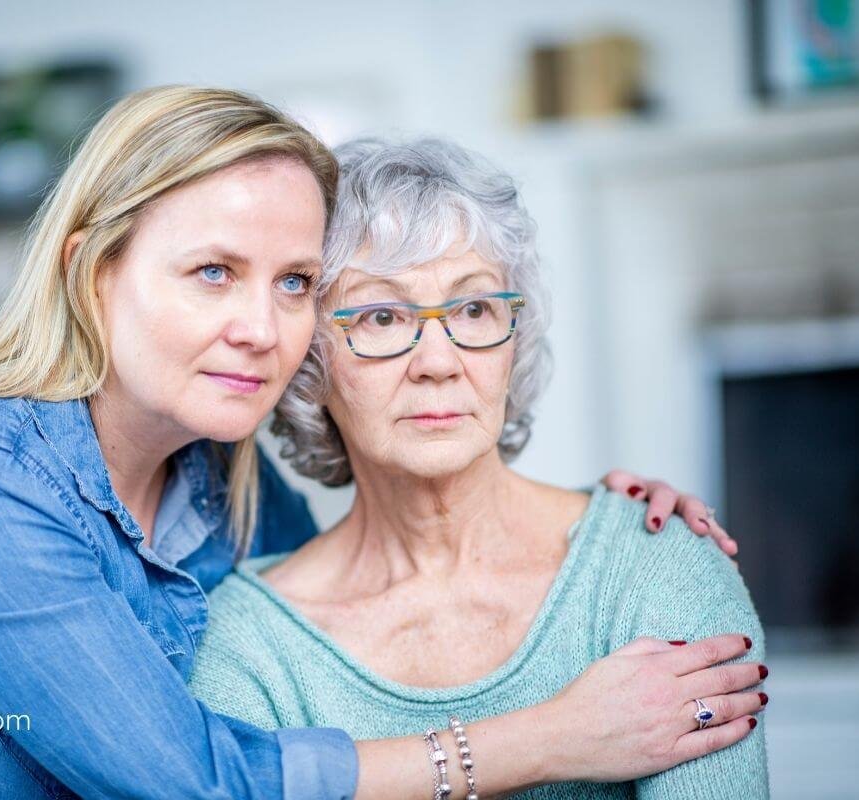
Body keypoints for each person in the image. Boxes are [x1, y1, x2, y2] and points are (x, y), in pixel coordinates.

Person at [0, 89, 749, 800]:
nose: (264, 325)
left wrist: (610, 514)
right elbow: (187, 782)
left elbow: (379, 542)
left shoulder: (223, 489)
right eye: (213, 270)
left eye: (295, 281)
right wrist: (553, 738)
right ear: (92, 273)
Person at [187, 137, 769, 799]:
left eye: (472, 309)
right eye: (381, 316)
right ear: (307, 363)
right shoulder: (250, 642)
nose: (439, 361)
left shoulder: (657, 562)